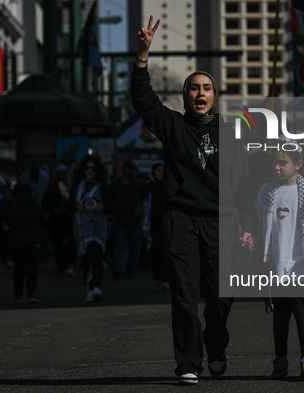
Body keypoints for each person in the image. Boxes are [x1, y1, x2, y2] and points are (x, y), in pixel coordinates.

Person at [131, 16, 251, 385]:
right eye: (194, 88)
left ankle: (216, 347)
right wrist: (142, 58)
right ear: (185, 96)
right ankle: (188, 361)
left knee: (219, 296)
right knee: (184, 296)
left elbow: (242, 184)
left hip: (221, 221)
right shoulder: (173, 126)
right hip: (180, 219)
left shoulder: (232, 133)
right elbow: (144, 101)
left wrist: (247, 224)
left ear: (215, 96)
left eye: (207, 88)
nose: (200, 93)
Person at [254, 138, 304, 380]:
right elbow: (262, 223)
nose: (277, 168)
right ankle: (280, 359)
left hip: (300, 263)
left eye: (283, 163)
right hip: (276, 263)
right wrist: (254, 244)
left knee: (301, 309)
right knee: (280, 312)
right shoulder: (266, 190)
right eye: (274, 163)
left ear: (298, 163)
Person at [70, 155, 111, 303]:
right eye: (87, 168)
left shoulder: (103, 186)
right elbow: (69, 206)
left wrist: (102, 207)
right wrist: (76, 207)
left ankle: (96, 287)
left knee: (97, 256)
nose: (90, 171)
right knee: (86, 258)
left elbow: (112, 206)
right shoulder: (77, 186)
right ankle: (89, 288)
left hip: (98, 225)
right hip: (82, 226)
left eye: (93, 169)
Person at [3, 184, 44, 304]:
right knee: (31, 268)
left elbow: (8, 222)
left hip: (17, 240)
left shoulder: (13, 206)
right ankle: (31, 293)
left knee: (18, 269)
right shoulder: (36, 206)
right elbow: (41, 222)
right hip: (32, 240)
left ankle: (18, 294)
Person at [109, 160, 144, 279]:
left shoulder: (138, 185)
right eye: (127, 169)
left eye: (131, 169)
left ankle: (131, 269)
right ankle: (118, 268)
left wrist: (141, 209)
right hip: (120, 221)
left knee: (134, 248)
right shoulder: (115, 185)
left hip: (135, 221)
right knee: (119, 246)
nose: (129, 172)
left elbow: (144, 200)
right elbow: (110, 201)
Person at [42, 165, 76, 276]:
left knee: (68, 243)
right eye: (60, 172)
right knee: (57, 243)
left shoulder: (71, 186)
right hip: (56, 221)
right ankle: (61, 265)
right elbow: (45, 202)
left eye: (64, 172)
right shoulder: (52, 187)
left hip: (68, 220)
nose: (62, 174)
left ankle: (68, 264)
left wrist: (67, 210)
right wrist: (54, 210)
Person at [143, 162, 168, 290]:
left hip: (167, 225)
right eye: (158, 170)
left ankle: (165, 280)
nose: (161, 173)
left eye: (163, 170)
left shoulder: (169, 187)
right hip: (153, 225)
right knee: (155, 253)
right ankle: (158, 279)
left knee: (165, 253)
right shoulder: (150, 188)